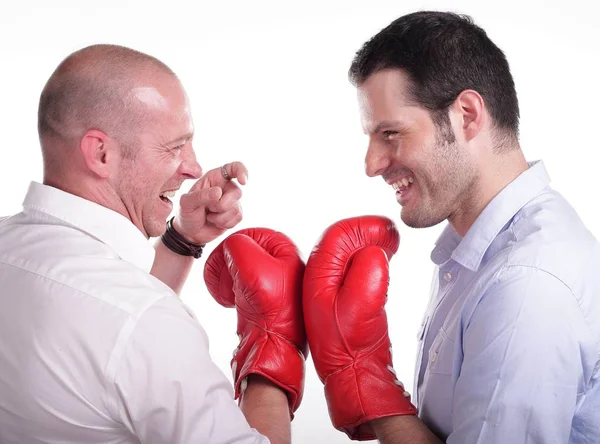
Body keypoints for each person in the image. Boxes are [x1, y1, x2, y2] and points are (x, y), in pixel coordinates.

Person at [301, 10, 600, 444]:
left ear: (466, 115)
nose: (371, 165)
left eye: (390, 133)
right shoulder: (480, 247)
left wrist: (363, 374)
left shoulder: (526, 285)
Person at [0, 44, 306, 444]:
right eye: (174, 146)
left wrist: (181, 240)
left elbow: (102, 332)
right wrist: (271, 343)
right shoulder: (144, 322)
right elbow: (125, 329)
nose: (194, 167)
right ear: (101, 154)